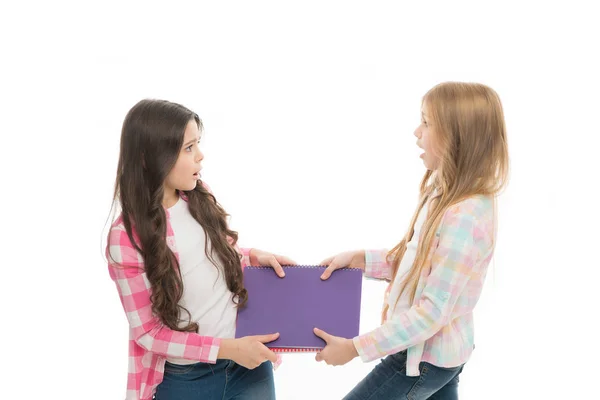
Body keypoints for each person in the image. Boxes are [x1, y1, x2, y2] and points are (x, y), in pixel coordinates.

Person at [315, 82, 509, 399]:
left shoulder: (465, 217)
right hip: (440, 355)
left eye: (427, 123)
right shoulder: (443, 193)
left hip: (423, 360)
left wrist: (354, 348)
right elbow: (420, 265)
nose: (416, 132)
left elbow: (431, 311)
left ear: (457, 137)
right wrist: (359, 259)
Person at [106, 99, 295, 400]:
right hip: (187, 381)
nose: (201, 156)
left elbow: (209, 258)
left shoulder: (198, 195)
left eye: (198, 144)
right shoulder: (125, 238)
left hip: (248, 368)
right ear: (149, 158)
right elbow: (149, 333)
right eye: (188, 148)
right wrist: (227, 349)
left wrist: (253, 256)